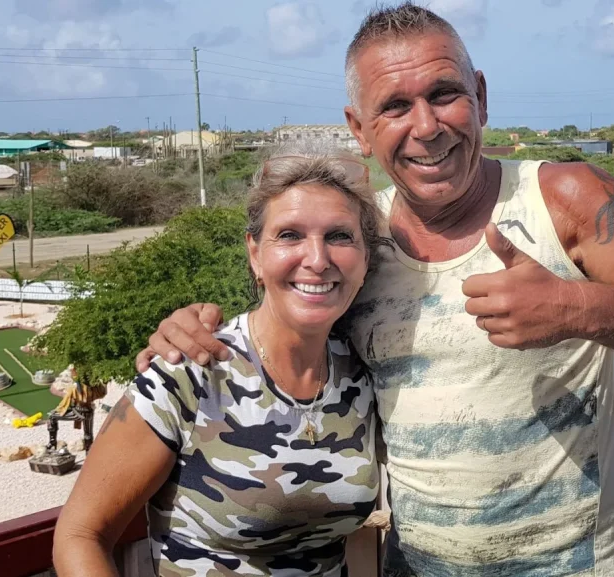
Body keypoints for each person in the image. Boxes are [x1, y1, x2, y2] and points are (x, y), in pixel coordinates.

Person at [136, 3, 614, 576]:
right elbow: (280, 333)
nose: (426, 127)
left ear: (480, 96)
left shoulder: (564, 198)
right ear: (359, 128)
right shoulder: (358, 242)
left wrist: (577, 307)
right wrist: (186, 332)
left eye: (444, 94)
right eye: (394, 106)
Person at [53, 150, 388, 577]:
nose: (317, 259)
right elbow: (80, 535)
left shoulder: (362, 374)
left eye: (340, 236)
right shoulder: (189, 372)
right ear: (255, 254)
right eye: (289, 235)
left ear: (365, 259)